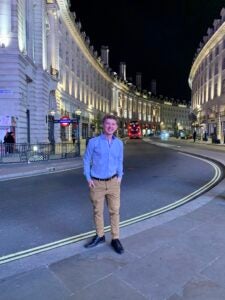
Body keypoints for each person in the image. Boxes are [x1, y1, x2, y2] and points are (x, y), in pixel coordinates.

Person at [83, 114, 124, 254]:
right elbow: (86, 160)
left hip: (113, 182)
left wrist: (120, 176)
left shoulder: (119, 143)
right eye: (108, 123)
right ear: (103, 125)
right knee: (97, 211)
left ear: (116, 127)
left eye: (113, 124)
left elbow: (119, 161)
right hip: (97, 183)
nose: (110, 126)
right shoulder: (93, 142)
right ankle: (100, 236)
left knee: (115, 211)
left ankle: (115, 238)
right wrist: (88, 178)